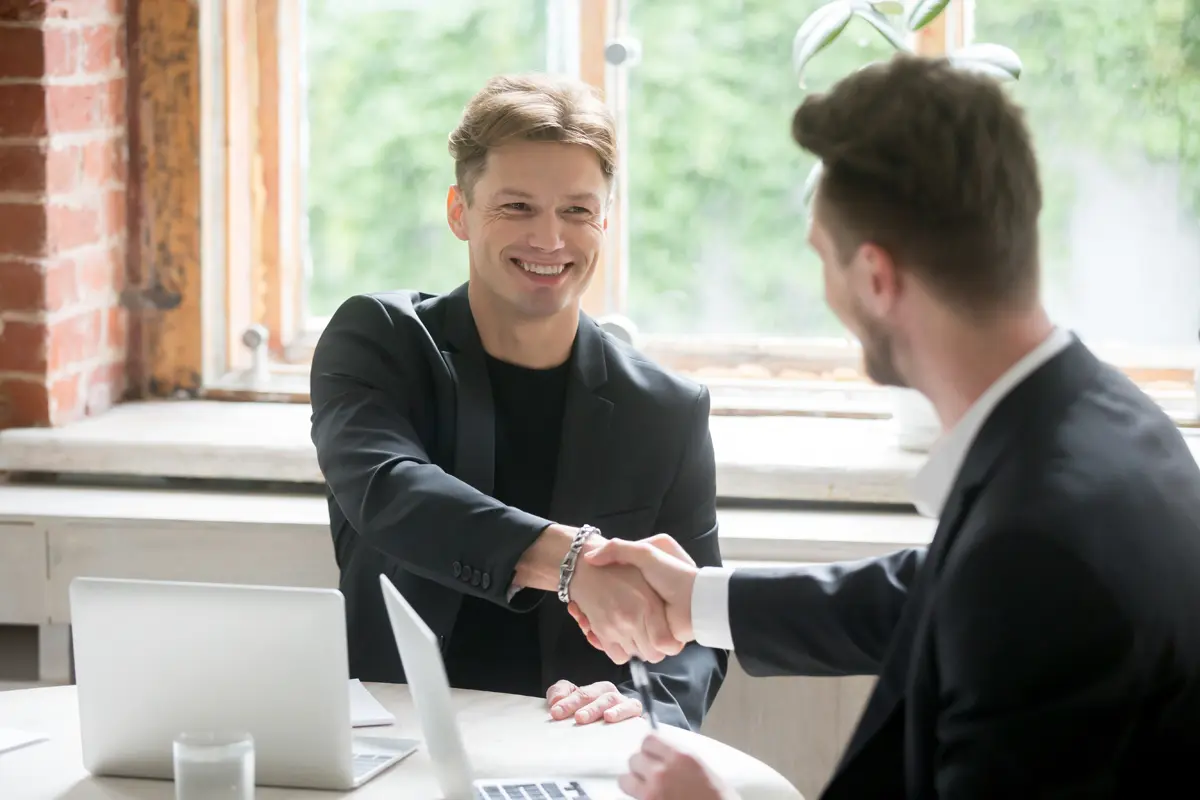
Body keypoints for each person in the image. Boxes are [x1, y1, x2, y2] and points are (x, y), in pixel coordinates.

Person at [572, 54, 1200, 798]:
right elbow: (944, 592)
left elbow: (1001, 585)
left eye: (823, 258)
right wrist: (700, 601)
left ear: (876, 276)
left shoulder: (1035, 546)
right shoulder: (1110, 422)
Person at [309, 73, 727, 732]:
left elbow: (697, 625)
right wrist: (573, 563)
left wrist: (645, 706)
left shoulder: (667, 410)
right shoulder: (381, 343)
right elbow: (389, 491)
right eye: (517, 207)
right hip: (388, 739)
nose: (549, 239)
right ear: (459, 212)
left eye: (577, 211)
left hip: (568, 751)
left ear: (605, 220)